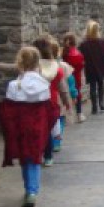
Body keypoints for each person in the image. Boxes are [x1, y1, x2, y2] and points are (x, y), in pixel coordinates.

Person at [0, 46, 59, 207]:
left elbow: (6, 110)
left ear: (20, 63)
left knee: (26, 158)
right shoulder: (44, 85)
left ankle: (29, 189)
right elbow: (50, 112)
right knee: (34, 158)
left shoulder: (14, 86)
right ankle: (32, 190)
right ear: (37, 63)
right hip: (38, 129)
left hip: (22, 128)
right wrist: (56, 132)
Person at [33, 36, 71, 167]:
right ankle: (48, 156)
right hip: (51, 102)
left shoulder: (33, 68)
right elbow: (63, 88)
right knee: (47, 129)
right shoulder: (56, 68)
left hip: (34, 102)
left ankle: (37, 153)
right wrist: (67, 102)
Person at [78, 20, 104, 114]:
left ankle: (94, 107)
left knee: (92, 86)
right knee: (101, 85)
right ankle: (101, 103)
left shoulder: (84, 44)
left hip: (90, 67)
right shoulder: (103, 42)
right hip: (101, 66)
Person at [61, 32, 86, 122]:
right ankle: (79, 114)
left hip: (64, 77)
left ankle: (65, 114)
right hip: (76, 77)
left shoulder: (63, 54)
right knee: (77, 94)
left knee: (64, 94)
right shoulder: (78, 54)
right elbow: (81, 67)